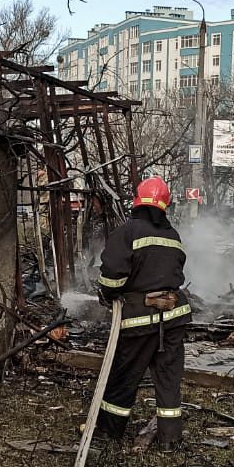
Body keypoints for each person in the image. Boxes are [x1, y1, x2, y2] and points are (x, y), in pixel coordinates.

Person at [94, 177, 191, 449]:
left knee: (125, 376)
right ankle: (170, 439)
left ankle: (108, 433)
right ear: (164, 205)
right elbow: (176, 270)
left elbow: (112, 276)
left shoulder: (127, 232)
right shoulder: (173, 235)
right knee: (168, 378)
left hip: (140, 320)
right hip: (173, 317)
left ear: (137, 202)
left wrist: (107, 293)